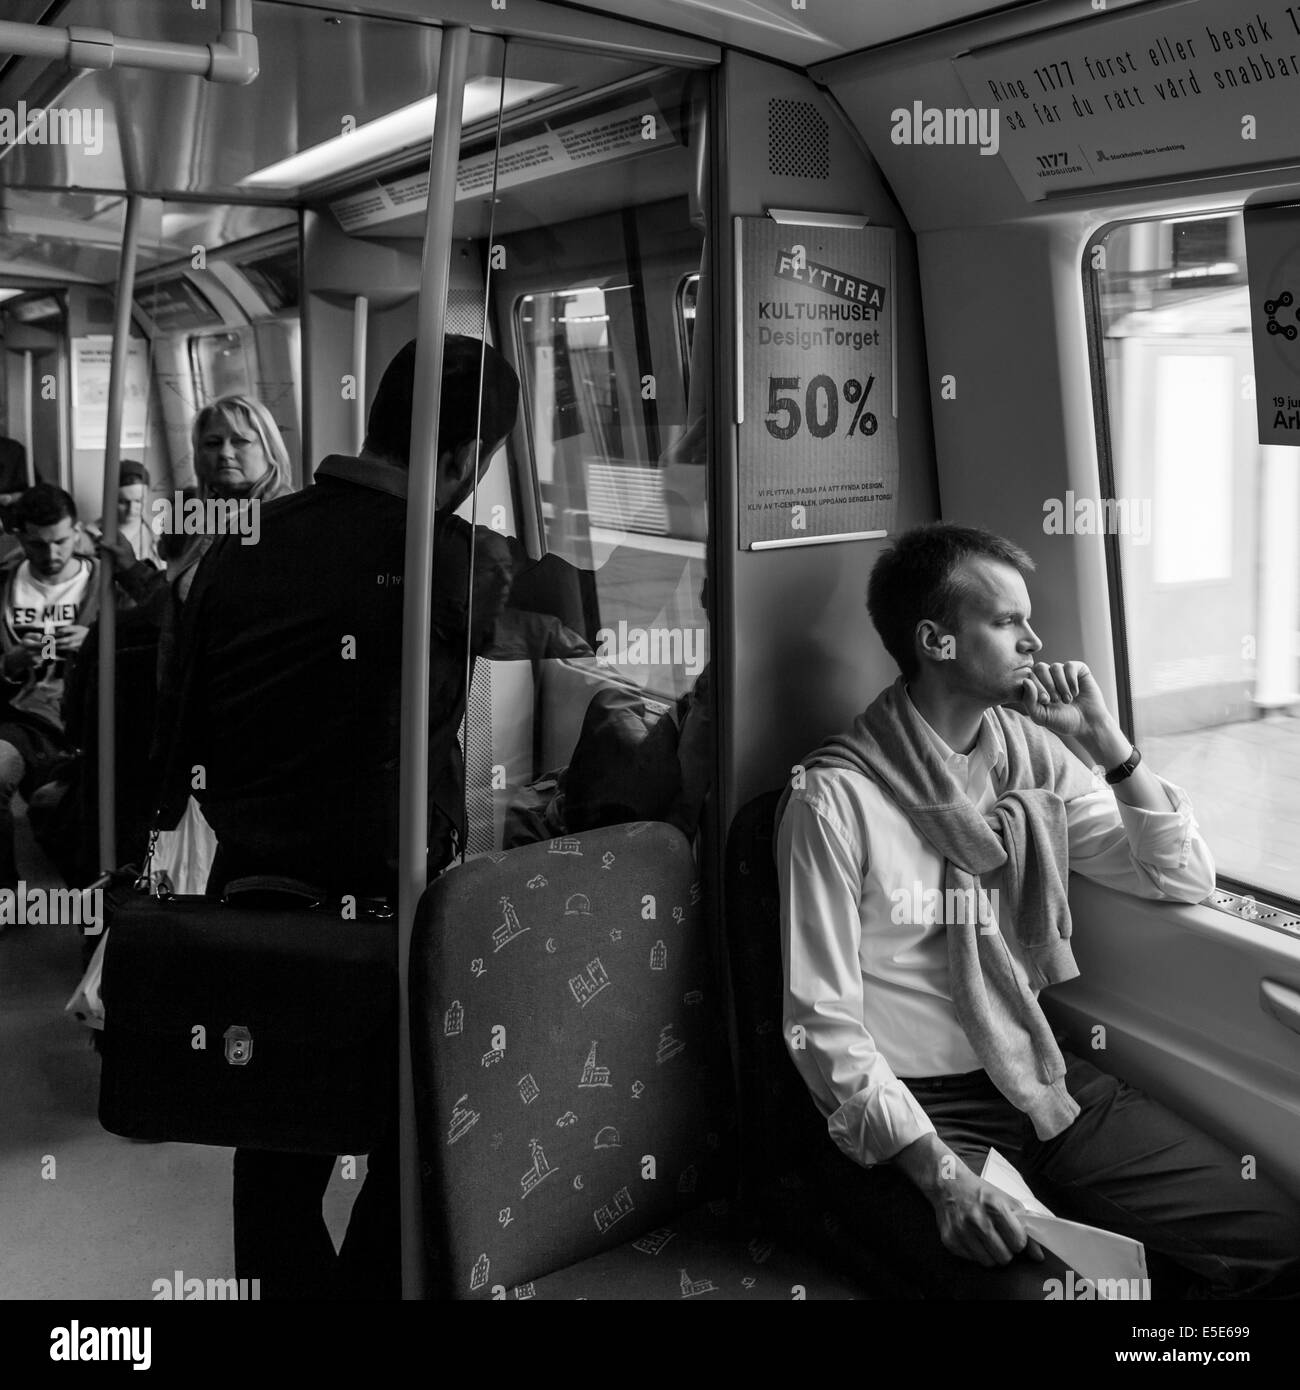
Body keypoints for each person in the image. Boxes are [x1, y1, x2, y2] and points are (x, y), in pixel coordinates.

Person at [156, 335, 595, 1299]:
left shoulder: (236, 552)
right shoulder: (453, 563)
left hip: (255, 897)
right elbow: (573, 622)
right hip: (389, 910)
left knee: (274, 1150)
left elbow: (175, 737)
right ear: (463, 460)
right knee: (409, 1143)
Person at [776, 523, 1300, 1300]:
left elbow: (1181, 877)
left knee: (1276, 1238)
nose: (1036, 640)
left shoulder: (1030, 758)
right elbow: (822, 1026)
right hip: (925, 1110)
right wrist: (942, 1177)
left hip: (1036, 1067)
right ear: (937, 641)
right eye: (1007, 621)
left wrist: (1106, 744)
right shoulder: (833, 799)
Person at [0, 485, 135, 892]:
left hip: (95, 718)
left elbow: (146, 650)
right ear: (20, 537)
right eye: (38, 544)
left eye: (61, 540)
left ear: (77, 532)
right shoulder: (4, 586)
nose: (52, 554)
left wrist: (95, 642)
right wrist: (9, 663)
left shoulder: (109, 583)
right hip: (26, 719)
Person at [87, 459, 162, 570]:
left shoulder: (160, 531)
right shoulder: (91, 535)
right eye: (123, 502)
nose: (131, 510)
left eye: (138, 501)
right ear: (111, 498)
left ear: (147, 497)